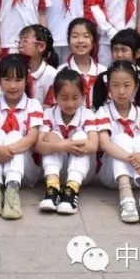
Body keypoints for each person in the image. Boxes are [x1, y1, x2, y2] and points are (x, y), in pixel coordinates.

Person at [0, 54, 44, 220]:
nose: (12, 86)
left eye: (18, 80)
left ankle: (12, 193)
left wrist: (5, 152)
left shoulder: (33, 105)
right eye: (7, 79)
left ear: (27, 80)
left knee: (14, 135)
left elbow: (31, 138)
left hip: (26, 171)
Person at [93, 60, 140, 224]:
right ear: (108, 87)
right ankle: (126, 197)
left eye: (127, 85)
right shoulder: (103, 111)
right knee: (121, 138)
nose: (121, 91)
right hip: (112, 177)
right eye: (115, 85)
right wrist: (135, 160)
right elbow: (105, 144)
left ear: (136, 86)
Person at [36, 68, 99, 214]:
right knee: (53, 135)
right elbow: (39, 145)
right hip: (56, 170)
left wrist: (63, 143)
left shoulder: (87, 114)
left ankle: (72, 191)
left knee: (80, 136)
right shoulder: (48, 114)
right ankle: (52, 188)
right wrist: (64, 145)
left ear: (83, 96)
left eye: (75, 98)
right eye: (64, 98)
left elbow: (93, 145)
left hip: (83, 174)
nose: (70, 103)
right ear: (55, 96)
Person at [50, 18, 102, 101]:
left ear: (94, 41)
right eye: (75, 36)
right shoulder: (60, 72)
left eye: (86, 36)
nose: (80, 40)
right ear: (68, 41)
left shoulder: (102, 72)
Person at [18, 24, 59, 104]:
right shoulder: (13, 69)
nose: (20, 45)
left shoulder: (53, 75)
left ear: (41, 46)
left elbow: (53, 105)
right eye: (19, 41)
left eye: (25, 41)